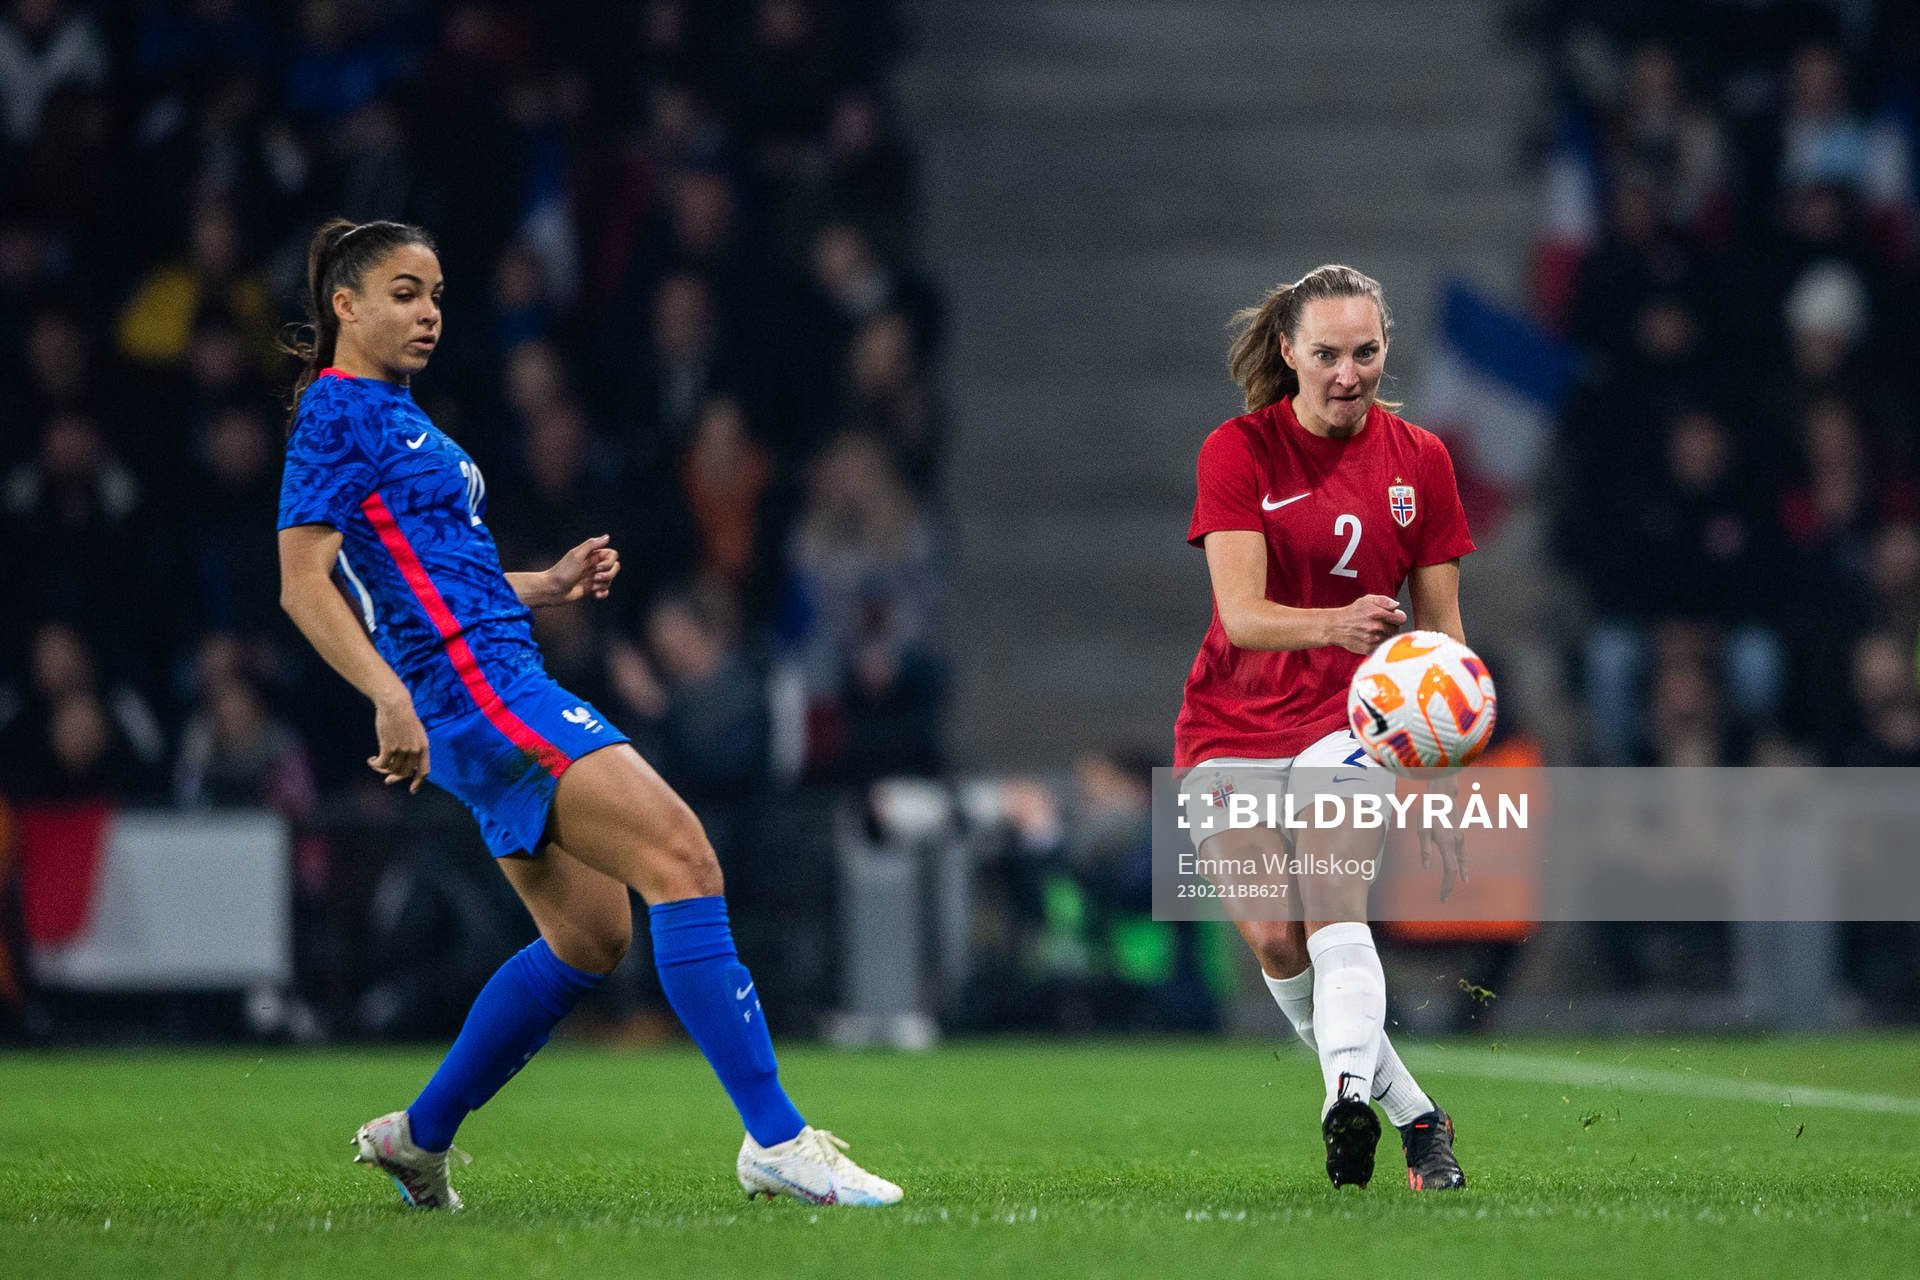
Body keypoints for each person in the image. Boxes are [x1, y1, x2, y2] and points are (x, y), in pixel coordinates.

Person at [275, 218, 900, 1212]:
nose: (429, 311)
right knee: (685, 860)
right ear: (344, 306)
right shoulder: (336, 415)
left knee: (591, 938)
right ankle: (777, 1136)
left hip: (490, 670)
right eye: (402, 292)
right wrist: (387, 692)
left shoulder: (396, 414)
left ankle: (417, 1135)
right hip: (477, 694)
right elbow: (304, 582)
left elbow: (438, 576)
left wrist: (544, 580)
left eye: (435, 292)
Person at [1175, 264, 1474, 1190]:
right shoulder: (1238, 451)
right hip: (1228, 721)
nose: (1349, 374)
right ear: (1288, 353)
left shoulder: (1420, 458)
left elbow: (1442, 631)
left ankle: (1343, 1098)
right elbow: (1241, 617)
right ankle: (1419, 1118)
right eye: (1328, 355)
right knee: (1273, 936)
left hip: (1351, 719)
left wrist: (1442, 723)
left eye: (1367, 353)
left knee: (1332, 904)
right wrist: (1335, 623)